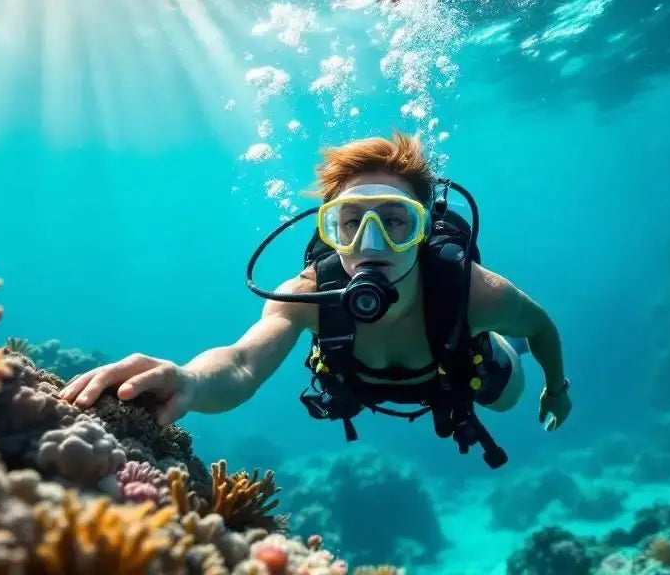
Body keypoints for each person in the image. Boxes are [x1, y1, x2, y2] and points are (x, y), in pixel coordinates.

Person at [60, 131, 572, 468]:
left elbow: (543, 327)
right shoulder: (308, 294)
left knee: (509, 399)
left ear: (423, 228)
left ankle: (498, 344)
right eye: (351, 223)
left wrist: (557, 389)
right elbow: (241, 363)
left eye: (395, 221)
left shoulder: (475, 290)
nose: (372, 245)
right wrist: (189, 381)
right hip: (364, 382)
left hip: (460, 371)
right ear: (331, 231)